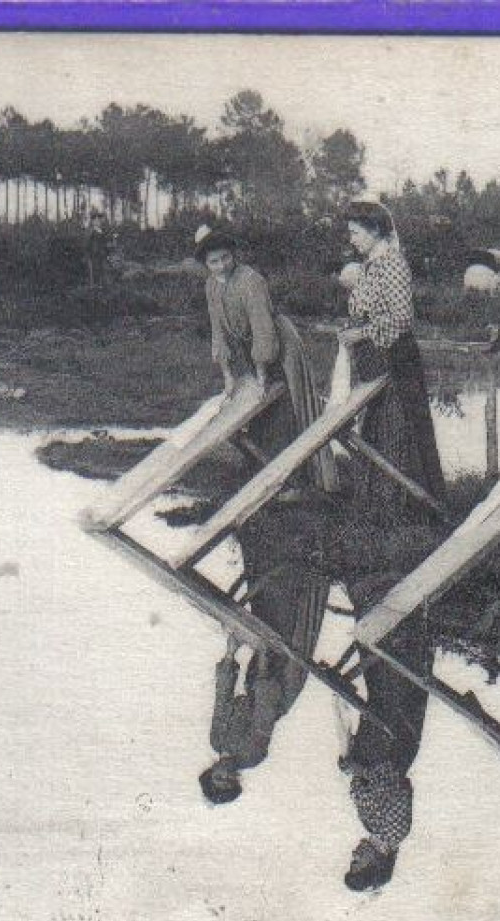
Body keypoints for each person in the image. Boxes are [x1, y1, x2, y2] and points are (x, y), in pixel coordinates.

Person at [194, 224, 330, 805]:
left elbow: (262, 337)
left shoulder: (250, 283)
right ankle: (272, 489)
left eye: (225, 256)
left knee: (280, 421)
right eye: (212, 261)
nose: (220, 266)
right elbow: (263, 695)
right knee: (279, 609)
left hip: (276, 355)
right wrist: (232, 377)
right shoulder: (250, 745)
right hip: (276, 671)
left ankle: (291, 481)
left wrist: (262, 371)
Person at [333, 199, 448, 892]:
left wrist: (359, 765)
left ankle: (400, 501)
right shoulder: (388, 827)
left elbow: (396, 322)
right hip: (387, 732)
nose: (355, 854)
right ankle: (390, 501)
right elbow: (388, 766)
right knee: (381, 437)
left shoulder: (391, 266)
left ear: (373, 232)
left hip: (387, 356)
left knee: (395, 434)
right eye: (357, 864)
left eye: (353, 229)